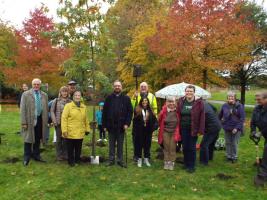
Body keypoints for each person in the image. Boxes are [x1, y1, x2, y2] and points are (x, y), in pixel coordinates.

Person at [102, 80, 133, 167]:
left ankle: (120, 160)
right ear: (113, 87)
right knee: (111, 144)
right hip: (110, 125)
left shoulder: (126, 98)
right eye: (115, 86)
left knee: (120, 144)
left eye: (119, 86)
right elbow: (104, 112)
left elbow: (130, 112)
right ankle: (111, 159)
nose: (117, 87)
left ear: (121, 87)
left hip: (121, 126)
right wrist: (104, 125)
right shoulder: (109, 98)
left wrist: (127, 123)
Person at [177, 85, 205, 173]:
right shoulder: (181, 101)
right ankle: (186, 163)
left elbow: (202, 117)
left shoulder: (199, 103)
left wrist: (200, 130)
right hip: (183, 128)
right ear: (185, 92)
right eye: (187, 91)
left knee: (192, 147)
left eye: (191, 91)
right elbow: (178, 113)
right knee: (185, 147)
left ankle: (191, 165)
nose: (189, 93)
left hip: (194, 128)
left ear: (194, 92)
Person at [20, 78, 48, 166]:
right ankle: (27, 156)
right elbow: (22, 109)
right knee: (28, 138)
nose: (36, 86)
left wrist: (47, 121)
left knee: (38, 137)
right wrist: (24, 122)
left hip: (40, 119)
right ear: (32, 85)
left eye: (38, 84)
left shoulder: (44, 95)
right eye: (34, 84)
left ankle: (36, 155)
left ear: (40, 85)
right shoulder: (26, 94)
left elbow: (46, 109)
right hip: (29, 120)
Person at [61, 90, 90, 167]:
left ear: (81, 97)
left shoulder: (84, 107)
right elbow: (64, 118)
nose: (77, 97)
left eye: (79, 95)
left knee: (78, 147)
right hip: (70, 131)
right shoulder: (68, 106)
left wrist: (87, 129)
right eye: (76, 95)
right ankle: (70, 161)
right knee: (70, 148)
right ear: (73, 97)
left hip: (80, 131)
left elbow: (86, 119)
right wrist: (64, 130)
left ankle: (77, 159)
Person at [131, 82, 158, 161]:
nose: (143, 88)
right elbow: (131, 106)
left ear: (147, 87)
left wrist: (154, 121)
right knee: (136, 140)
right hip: (138, 122)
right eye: (141, 86)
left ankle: (147, 156)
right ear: (140, 87)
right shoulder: (136, 95)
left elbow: (155, 108)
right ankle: (136, 155)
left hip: (148, 122)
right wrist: (133, 98)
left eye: (144, 86)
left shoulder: (152, 96)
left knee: (147, 140)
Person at [218, 91, 245, 163]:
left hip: (236, 128)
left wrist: (236, 128)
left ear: (235, 98)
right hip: (227, 127)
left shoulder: (239, 106)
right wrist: (221, 123)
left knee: (234, 143)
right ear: (227, 98)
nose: (230, 98)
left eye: (232, 97)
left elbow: (242, 119)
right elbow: (219, 116)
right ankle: (228, 156)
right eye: (229, 97)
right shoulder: (224, 106)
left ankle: (234, 157)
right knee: (228, 142)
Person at [133, 97, 157, 167]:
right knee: (139, 145)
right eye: (143, 101)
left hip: (148, 131)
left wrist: (154, 127)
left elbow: (155, 121)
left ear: (148, 102)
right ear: (141, 102)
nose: (144, 102)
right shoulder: (137, 110)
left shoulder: (150, 110)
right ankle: (139, 159)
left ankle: (146, 159)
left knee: (147, 145)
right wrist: (135, 131)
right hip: (139, 131)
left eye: (146, 100)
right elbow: (134, 122)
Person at [158, 96, 181, 170]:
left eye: (172, 102)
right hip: (165, 132)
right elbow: (159, 120)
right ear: (166, 102)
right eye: (169, 101)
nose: (171, 103)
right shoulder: (164, 111)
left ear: (175, 102)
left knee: (172, 148)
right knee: (166, 147)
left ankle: (172, 162)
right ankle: (166, 161)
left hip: (174, 132)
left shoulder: (178, 111)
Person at [50, 86, 71, 161]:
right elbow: (52, 111)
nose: (64, 93)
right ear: (60, 92)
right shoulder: (56, 100)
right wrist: (54, 121)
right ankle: (59, 155)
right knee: (59, 140)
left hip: (67, 123)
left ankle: (65, 154)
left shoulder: (70, 101)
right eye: (63, 91)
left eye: (66, 91)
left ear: (67, 93)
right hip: (58, 123)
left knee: (66, 139)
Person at [251, 91, 267, 186]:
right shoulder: (257, 109)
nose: (257, 101)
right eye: (256, 99)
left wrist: (261, 132)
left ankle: (263, 174)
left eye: (259, 99)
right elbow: (253, 121)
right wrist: (253, 131)